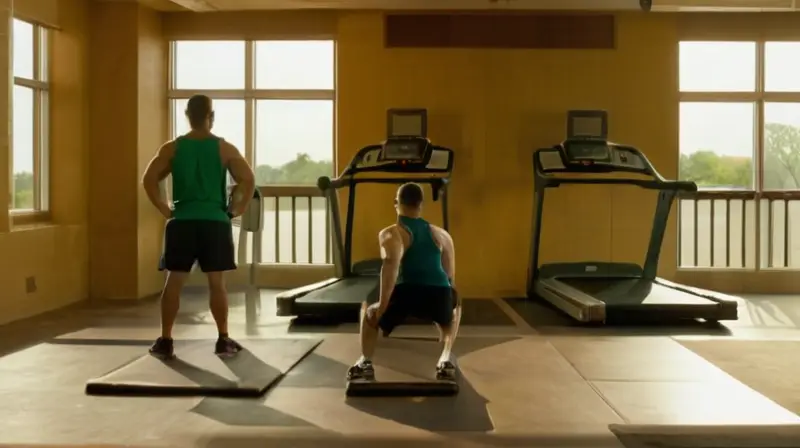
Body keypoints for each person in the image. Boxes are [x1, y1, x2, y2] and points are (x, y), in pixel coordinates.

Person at [141, 94, 256, 359]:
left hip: (181, 222)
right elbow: (248, 179)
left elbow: (148, 179)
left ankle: (166, 340)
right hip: (214, 223)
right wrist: (238, 208)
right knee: (217, 284)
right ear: (210, 116)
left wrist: (163, 208)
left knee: (173, 282)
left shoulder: (172, 148)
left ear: (187, 116)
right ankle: (223, 339)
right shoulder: (224, 148)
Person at [347, 182, 460, 381]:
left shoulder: (391, 233)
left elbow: (390, 267)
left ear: (396, 203)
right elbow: (449, 275)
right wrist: (445, 303)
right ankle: (445, 358)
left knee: (367, 310)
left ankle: (365, 361)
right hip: (438, 294)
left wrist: (381, 307)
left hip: (405, 293)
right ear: (421, 204)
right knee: (454, 309)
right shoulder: (442, 235)